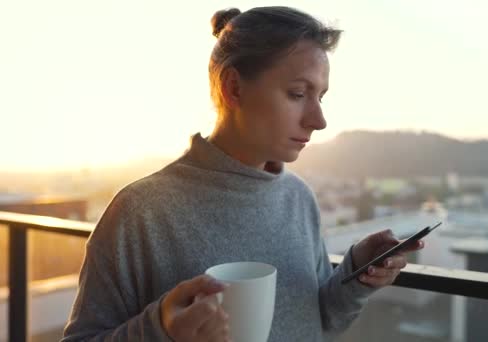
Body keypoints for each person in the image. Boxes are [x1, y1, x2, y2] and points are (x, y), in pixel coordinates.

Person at [62, 6, 424, 342]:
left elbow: (317, 322)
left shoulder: (298, 198)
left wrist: (356, 273)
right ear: (233, 88)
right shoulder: (139, 211)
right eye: (298, 93)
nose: (319, 120)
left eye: (320, 97)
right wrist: (161, 331)